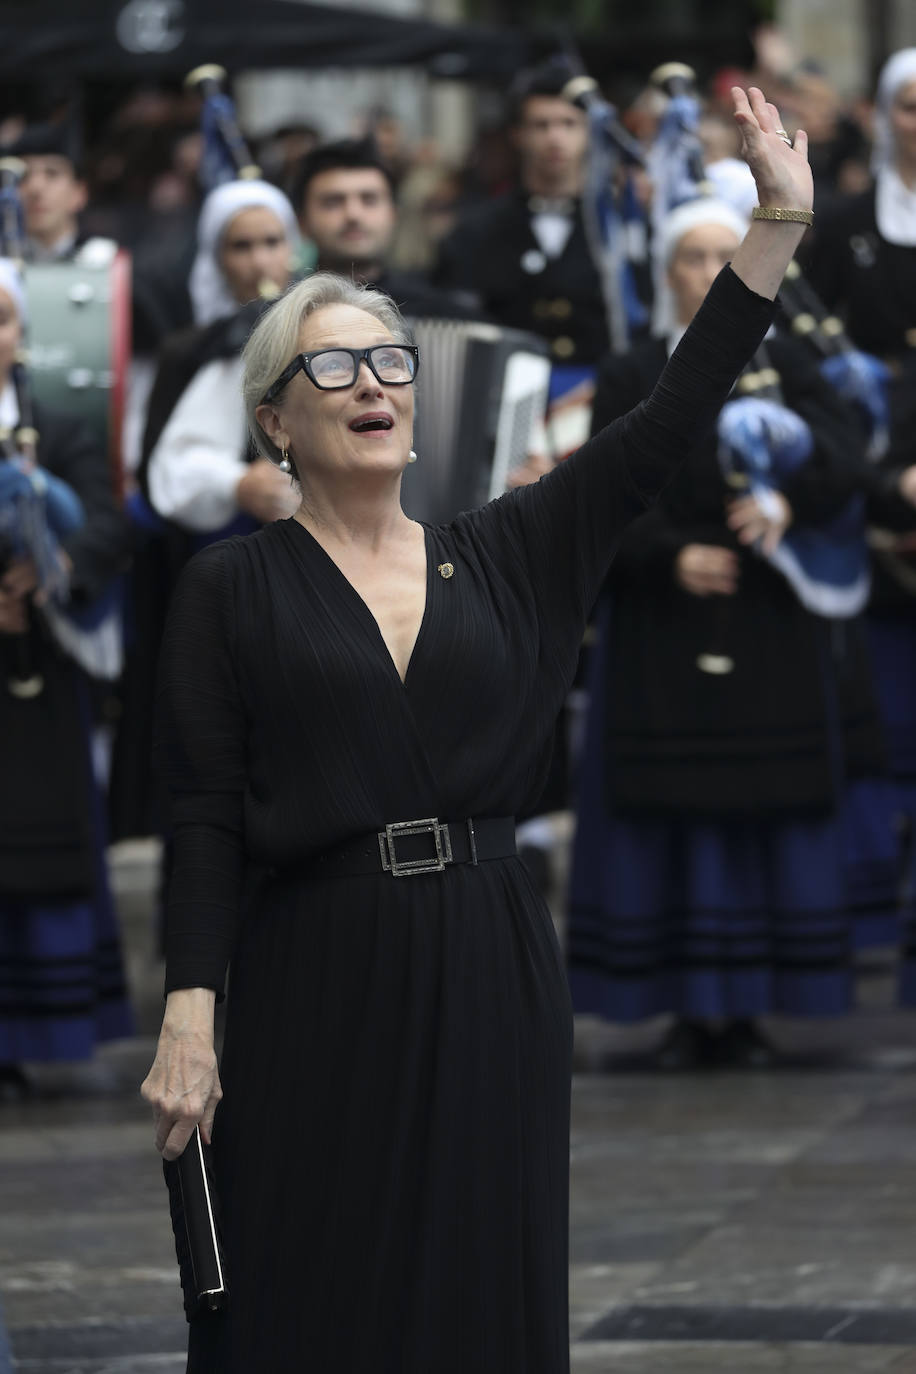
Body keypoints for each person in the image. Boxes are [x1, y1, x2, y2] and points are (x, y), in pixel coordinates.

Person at [141, 88, 812, 1371]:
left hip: (487, 955)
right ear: (275, 419)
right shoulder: (233, 586)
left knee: (478, 1275)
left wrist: (775, 221)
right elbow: (203, 812)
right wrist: (188, 1012)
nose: (372, 381)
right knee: (301, 1273)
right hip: (310, 962)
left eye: (389, 359)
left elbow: (667, 420)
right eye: (330, 365)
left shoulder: (511, 551)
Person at [566, 196, 884, 1069]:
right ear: (666, 276)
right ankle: (680, 1007)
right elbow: (599, 498)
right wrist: (668, 557)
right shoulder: (635, 370)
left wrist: (788, 495)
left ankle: (750, 1003)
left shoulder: (789, 366)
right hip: (663, 628)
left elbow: (849, 461)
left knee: (760, 814)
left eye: (723, 255)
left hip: (769, 621)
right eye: (691, 258)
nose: (708, 273)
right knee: (669, 817)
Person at [0, 259, 133, 1094]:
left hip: (39, 663)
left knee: (39, 838)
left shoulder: (59, 424)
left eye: (4, 320)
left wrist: (49, 576)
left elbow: (108, 521)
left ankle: (41, 1023)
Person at [144, 177, 301, 534]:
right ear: (217, 258)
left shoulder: (322, 332)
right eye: (241, 247)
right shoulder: (190, 348)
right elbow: (164, 468)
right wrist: (237, 483)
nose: (260, 261)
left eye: (272, 242)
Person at [292, 136, 474, 318]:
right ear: (302, 222)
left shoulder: (444, 314)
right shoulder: (280, 315)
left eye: (369, 199)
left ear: (393, 214)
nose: (353, 214)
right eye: (333, 202)